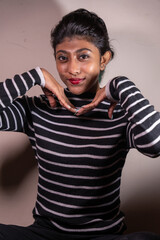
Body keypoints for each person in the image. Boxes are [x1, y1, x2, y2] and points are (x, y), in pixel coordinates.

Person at [0, 8, 160, 240]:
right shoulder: (37, 109)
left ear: (103, 59)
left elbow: (156, 144)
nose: (72, 69)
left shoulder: (122, 114)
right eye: (62, 57)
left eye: (83, 56)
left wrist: (122, 86)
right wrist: (34, 76)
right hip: (45, 235)